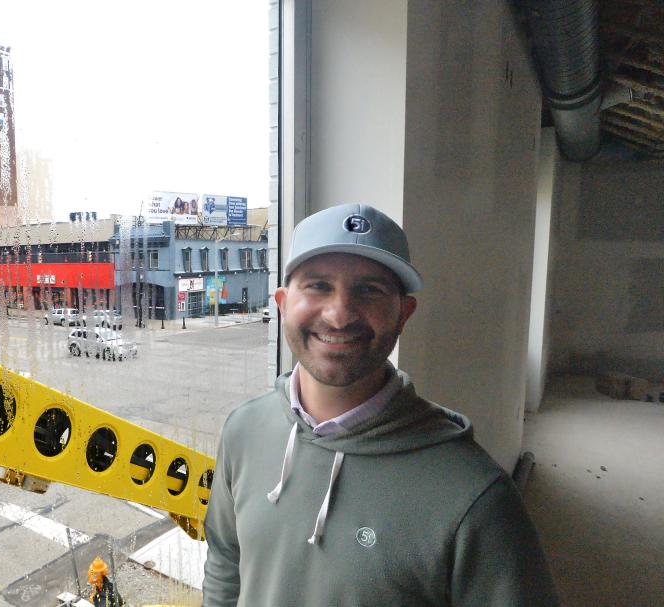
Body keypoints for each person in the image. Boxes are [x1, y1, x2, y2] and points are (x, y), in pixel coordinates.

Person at [202, 203, 559, 606]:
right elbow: (226, 562)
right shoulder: (244, 432)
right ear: (283, 303)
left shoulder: (475, 497)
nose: (339, 316)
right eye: (318, 285)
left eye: (369, 290)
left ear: (403, 313)